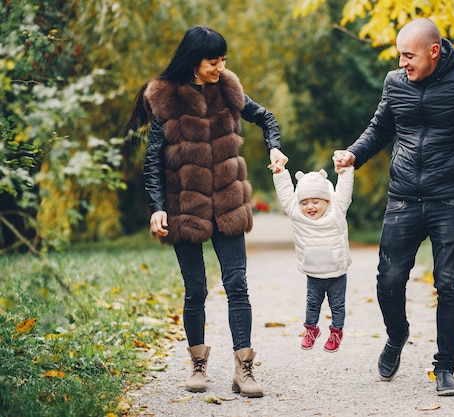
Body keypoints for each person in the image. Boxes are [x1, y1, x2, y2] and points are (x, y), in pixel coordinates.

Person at [333, 18, 454, 396]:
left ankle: (445, 367)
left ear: (434, 52)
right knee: (389, 279)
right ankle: (397, 335)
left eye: (409, 55)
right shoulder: (395, 82)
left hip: (450, 197)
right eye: (399, 55)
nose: (403, 63)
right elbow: (380, 128)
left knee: (449, 284)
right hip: (403, 196)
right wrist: (354, 153)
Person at [122, 26, 288, 398]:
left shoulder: (228, 90)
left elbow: (267, 118)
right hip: (185, 207)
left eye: (223, 60)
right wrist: (157, 209)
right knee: (195, 289)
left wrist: (273, 148)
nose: (220, 66)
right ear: (194, 60)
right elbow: (153, 160)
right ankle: (198, 364)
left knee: (238, 286)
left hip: (228, 203)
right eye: (214, 61)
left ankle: (244, 368)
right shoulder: (165, 98)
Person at [270, 160, 354, 353]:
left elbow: (344, 190)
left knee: (337, 305)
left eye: (316, 201)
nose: (310, 207)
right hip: (313, 272)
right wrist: (280, 173)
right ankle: (311, 330)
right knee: (312, 303)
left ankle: (336, 332)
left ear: (328, 200)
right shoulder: (296, 214)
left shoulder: (337, 211)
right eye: (304, 202)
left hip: (337, 272)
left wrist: (346, 170)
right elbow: (285, 194)